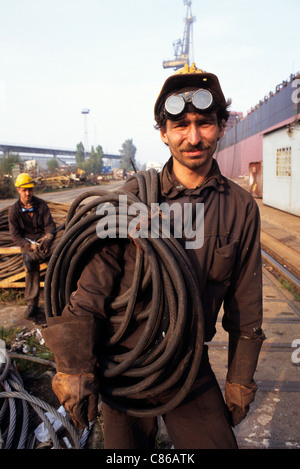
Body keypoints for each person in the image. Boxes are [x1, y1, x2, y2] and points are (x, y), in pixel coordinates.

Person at [43, 63, 265, 449]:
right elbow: (95, 283)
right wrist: (75, 366)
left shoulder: (240, 207)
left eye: (204, 123)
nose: (193, 137)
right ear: (163, 133)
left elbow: (246, 304)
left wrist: (240, 377)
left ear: (221, 126)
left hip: (187, 365)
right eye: (180, 126)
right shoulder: (133, 197)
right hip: (126, 365)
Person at [8, 173, 56, 320]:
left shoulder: (41, 205)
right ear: (18, 190)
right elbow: (15, 235)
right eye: (24, 190)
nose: (28, 193)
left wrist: (48, 237)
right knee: (30, 264)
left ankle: (55, 299)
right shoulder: (14, 211)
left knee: (58, 260)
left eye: (30, 189)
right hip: (28, 244)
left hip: (44, 242)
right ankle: (32, 304)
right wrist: (29, 245)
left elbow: (50, 226)